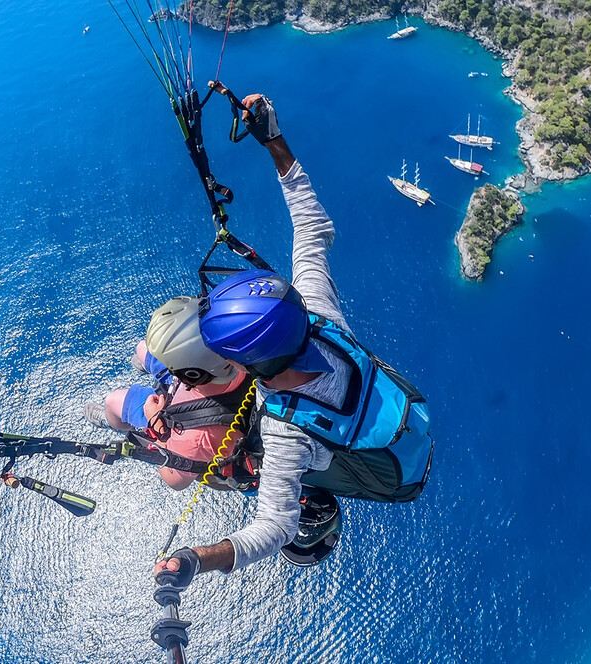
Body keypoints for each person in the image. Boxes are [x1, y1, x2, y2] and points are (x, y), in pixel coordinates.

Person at [155, 89, 434, 589]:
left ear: (250, 365)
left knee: (197, 472)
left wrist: (198, 558)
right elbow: (310, 227)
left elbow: (274, 529)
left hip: (345, 458)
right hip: (377, 423)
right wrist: (274, 141)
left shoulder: (288, 436)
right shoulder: (319, 317)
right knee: (184, 469)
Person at [87, 297, 252, 490]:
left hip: (188, 417)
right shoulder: (246, 348)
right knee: (144, 348)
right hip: (206, 381)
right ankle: (153, 360)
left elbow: (174, 480)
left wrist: (156, 423)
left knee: (113, 401)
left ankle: (115, 423)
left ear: (185, 373)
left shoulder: (196, 439)